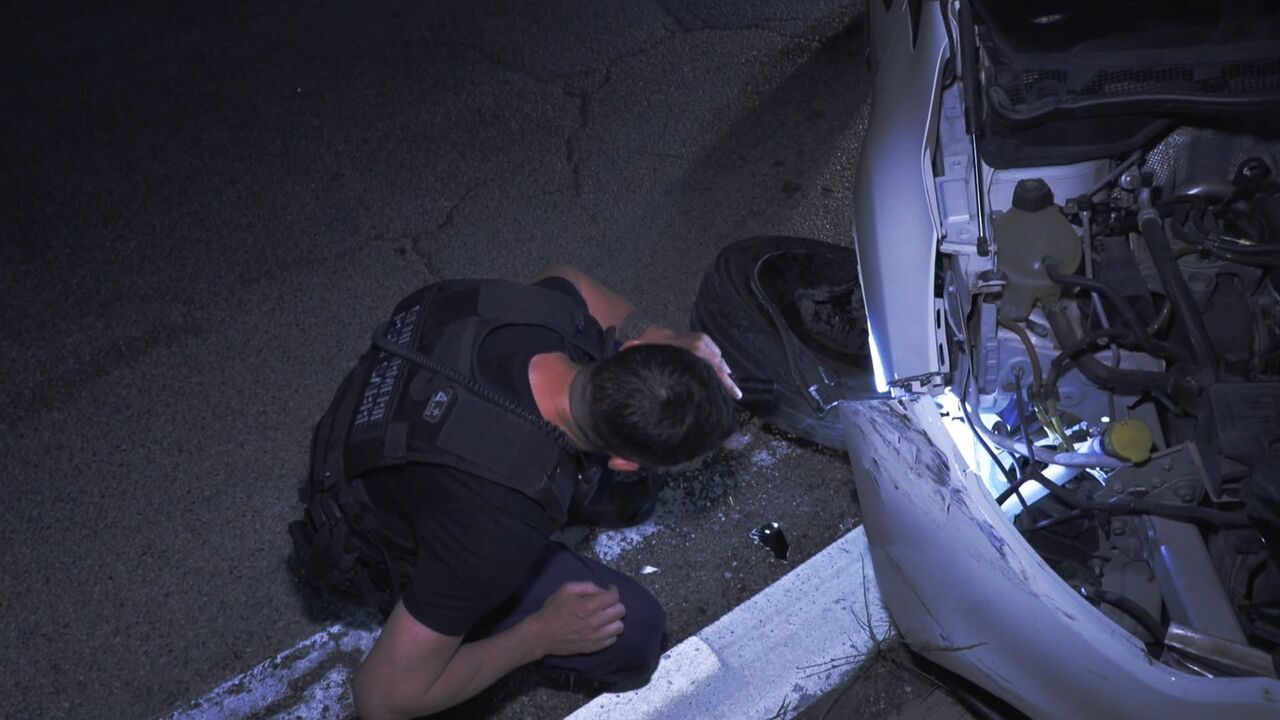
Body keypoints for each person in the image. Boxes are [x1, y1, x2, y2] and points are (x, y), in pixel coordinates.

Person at [289, 264, 740, 720]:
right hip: (370, 517)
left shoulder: (542, 316)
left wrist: (660, 333)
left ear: (635, 348)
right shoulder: (497, 528)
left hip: (382, 425)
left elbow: (571, 279)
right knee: (638, 634)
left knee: (630, 500)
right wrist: (538, 635)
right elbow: (381, 697)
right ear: (623, 462)